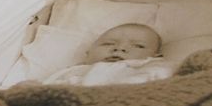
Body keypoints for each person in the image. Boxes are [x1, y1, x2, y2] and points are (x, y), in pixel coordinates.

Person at [36, 23, 174, 88]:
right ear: (88, 54)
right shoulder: (73, 71)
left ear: (157, 56)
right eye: (107, 44)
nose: (119, 48)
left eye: (138, 46)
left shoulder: (153, 67)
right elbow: (47, 89)